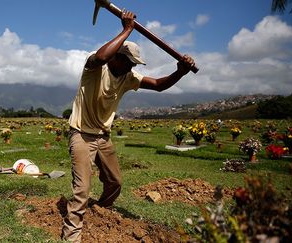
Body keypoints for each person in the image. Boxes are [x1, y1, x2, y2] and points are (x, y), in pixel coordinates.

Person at [61, 10, 195, 242]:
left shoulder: (128, 77)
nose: (131, 68)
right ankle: (72, 236)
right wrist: (127, 29)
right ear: (117, 57)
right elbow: (102, 57)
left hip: (103, 136)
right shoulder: (95, 67)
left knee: (115, 182)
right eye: (129, 62)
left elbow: (158, 85)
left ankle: (100, 209)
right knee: (82, 189)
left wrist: (179, 72)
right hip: (82, 134)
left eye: (134, 64)